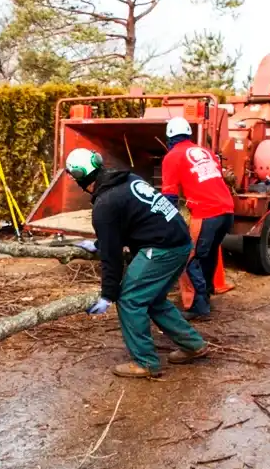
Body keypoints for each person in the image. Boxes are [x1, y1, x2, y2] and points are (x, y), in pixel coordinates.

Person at [65, 147, 208, 378]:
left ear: (80, 176)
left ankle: (146, 363)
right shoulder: (126, 179)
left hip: (163, 248)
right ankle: (194, 345)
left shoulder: (105, 204)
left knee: (130, 300)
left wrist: (108, 295)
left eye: (71, 174)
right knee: (153, 299)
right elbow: (131, 220)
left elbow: (112, 258)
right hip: (179, 240)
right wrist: (101, 242)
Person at [161, 117, 234, 320]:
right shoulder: (206, 153)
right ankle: (206, 294)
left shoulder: (173, 156)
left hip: (206, 212)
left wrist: (168, 223)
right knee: (208, 255)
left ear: (169, 137)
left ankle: (198, 306)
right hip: (227, 211)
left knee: (188, 256)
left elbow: (170, 195)